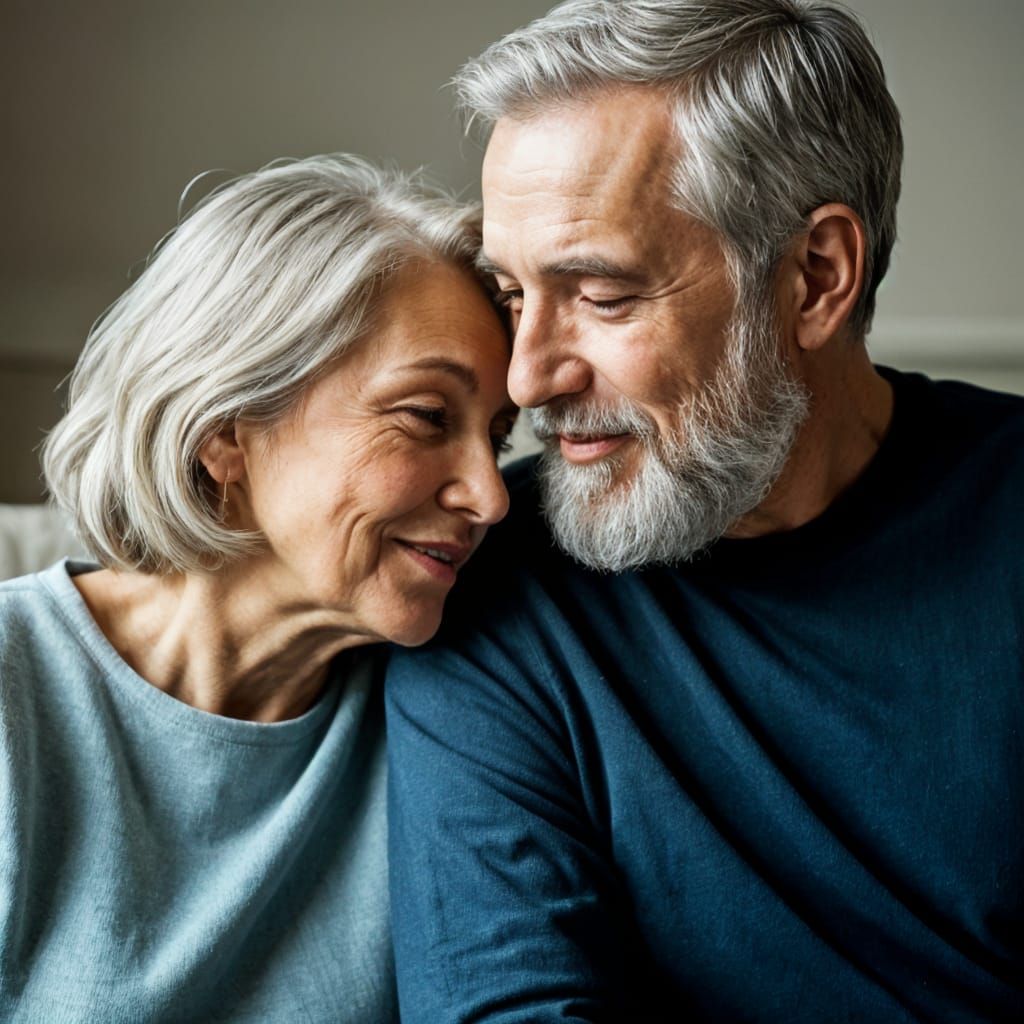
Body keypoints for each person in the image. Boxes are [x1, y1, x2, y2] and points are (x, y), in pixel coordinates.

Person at [385, 2, 1024, 1021]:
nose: (528, 375)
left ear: (815, 277)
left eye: (598, 295)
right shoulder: (491, 604)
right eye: (511, 295)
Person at [0, 154, 515, 1022]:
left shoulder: (457, 714)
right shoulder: (16, 689)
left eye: (498, 438)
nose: (492, 495)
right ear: (225, 433)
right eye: (428, 417)